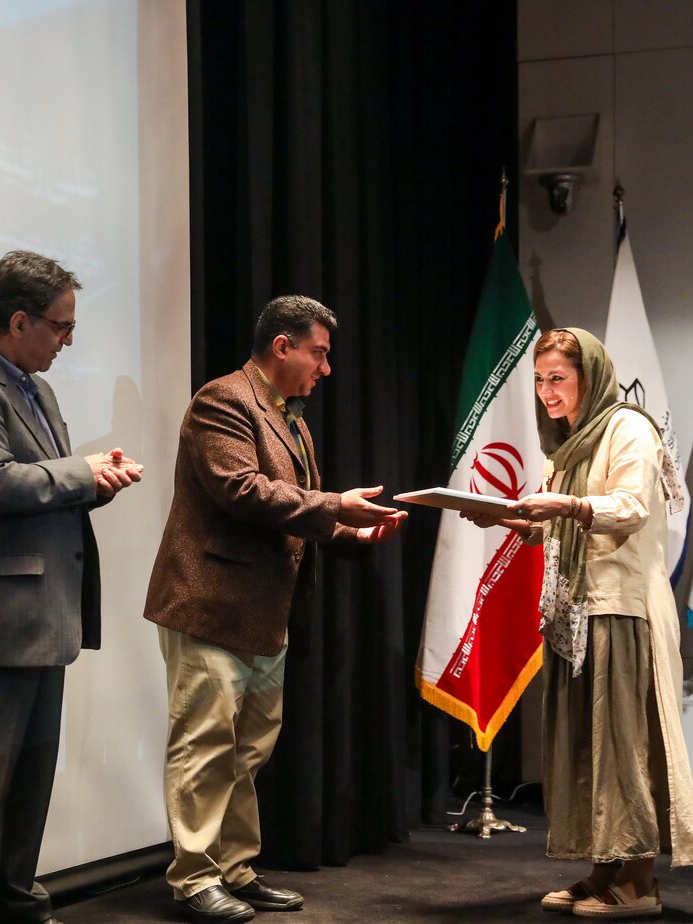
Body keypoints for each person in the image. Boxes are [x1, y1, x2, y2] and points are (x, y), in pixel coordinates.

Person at [143, 295, 407, 924]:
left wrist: (348, 532)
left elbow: (296, 508)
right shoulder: (223, 401)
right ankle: (195, 877)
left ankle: (233, 869)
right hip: (210, 604)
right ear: (282, 345)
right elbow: (242, 491)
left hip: (263, 613)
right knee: (205, 743)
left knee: (248, 749)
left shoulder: (291, 417)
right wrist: (336, 508)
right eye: (319, 353)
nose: (326, 368)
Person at [0, 250, 143, 924]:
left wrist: (95, 481)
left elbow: (47, 488)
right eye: (61, 326)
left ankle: (16, 900)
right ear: (18, 321)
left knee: (28, 785)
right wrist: (81, 473)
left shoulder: (35, 387)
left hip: (44, 616)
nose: (68, 340)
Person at [462, 328, 693, 918]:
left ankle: (641, 882)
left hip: (623, 611)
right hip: (576, 612)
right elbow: (561, 521)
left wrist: (566, 507)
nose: (546, 391)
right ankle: (602, 871)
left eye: (558, 379)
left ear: (588, 378)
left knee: (624, 745)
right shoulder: (564, 444)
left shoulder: (628, 428)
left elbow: (631, 507)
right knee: (585, 747)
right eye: (540, 379)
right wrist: (512, 519)